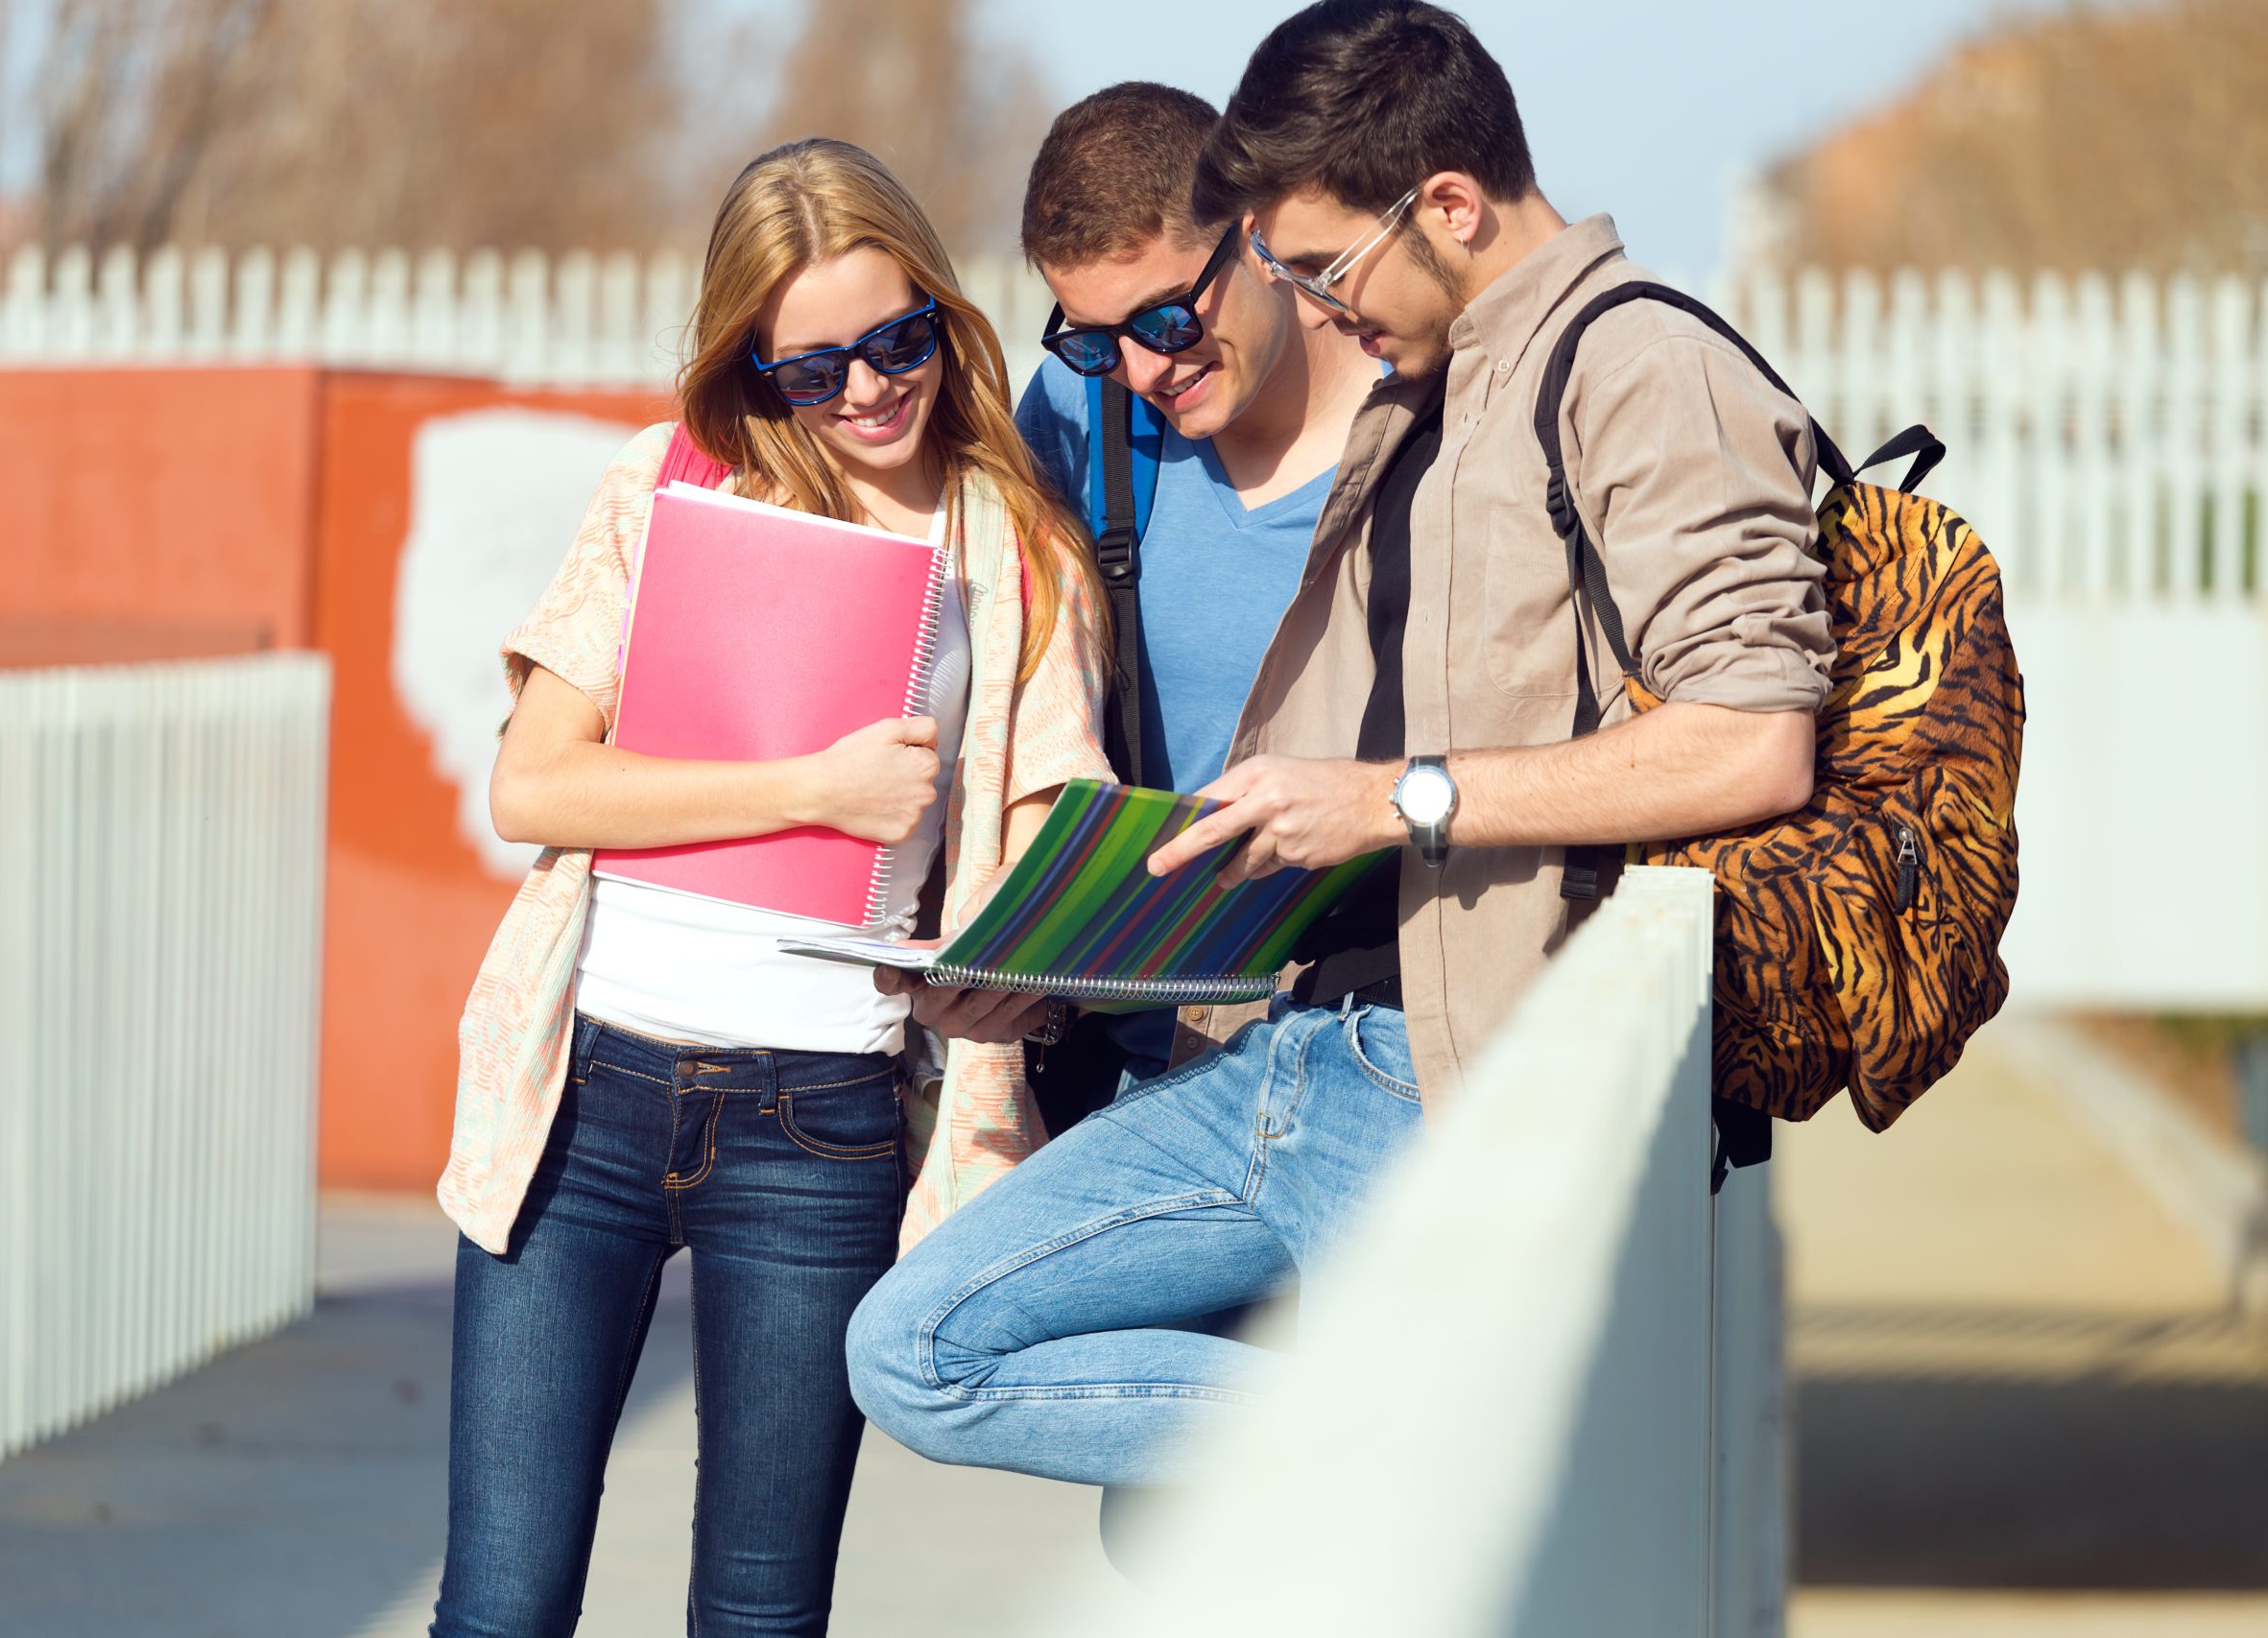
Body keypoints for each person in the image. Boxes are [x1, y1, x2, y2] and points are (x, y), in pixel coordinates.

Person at [848, 0, 1832, 1492]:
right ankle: (1397, 1437)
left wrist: (1394, 798)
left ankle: (1417, 1445)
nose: (1319, 302)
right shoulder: (1442, 377)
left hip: (1446, 1074)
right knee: (916, 1347)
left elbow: (1757, 741)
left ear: (1446, 202)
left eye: (1321, 267)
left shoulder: (1635, 365)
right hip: (1260, 1043)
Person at [429, 138, 1108, 1637]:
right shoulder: (672, 483)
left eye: (897, 342)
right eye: (814, 369)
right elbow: (533, 784)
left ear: (943, 316)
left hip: (825, 1119)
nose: (867, 392)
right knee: (500, 1602)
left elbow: (1048, 845)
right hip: (585, 1089)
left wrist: (998, 967)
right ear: (754, 361)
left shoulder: (1023, 548)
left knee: (759, 1611)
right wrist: (810, 787)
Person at [891, 82, 1380, 1146]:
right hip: (1121, 1070)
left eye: (1166, 317)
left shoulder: (1419, 424)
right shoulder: (1079, 416)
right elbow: (982, 686)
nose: (1145, 370)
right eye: (1096, 338)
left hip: (1356, 1059)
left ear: (1256, 233)